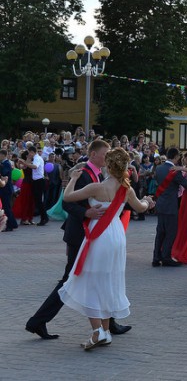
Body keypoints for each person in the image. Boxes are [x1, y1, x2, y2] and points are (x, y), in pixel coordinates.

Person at [26, 140, 130, 339]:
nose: (107, 157)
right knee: (71, 279)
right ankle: (38, 321)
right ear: (92, 155)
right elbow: (67, 204)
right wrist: (87, 213)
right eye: (104, 154)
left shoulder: (99, 175)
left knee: (99, 276)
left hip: (94, 236)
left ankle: (110, 324)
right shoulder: (83, 174)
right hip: (82, 235)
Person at [59, 147, 155, 349]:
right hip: (117, 235)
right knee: (108, 280)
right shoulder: (126, 188)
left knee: (90, 280)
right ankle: (106, 332)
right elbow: (140, 208)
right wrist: (147, 201)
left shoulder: (96, 187)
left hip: (99, 236)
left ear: (109, 166)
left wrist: (73, 178)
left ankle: (97, 332)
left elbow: (67, 197)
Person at [152, 148, 187, 267]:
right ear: (176, 157)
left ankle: (156, 257)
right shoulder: (174, 171)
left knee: (160, 232)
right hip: (170, 206)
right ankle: (166, 257)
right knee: (171, 233)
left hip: (160, 204)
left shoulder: (159, 168)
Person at [22, 146, 49, 226]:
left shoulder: (37, 158)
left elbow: (35, 166)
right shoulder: (38, 158)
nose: (29, 154)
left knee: (39, 201)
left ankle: (44, 218)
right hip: (37, 181)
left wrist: (25, 163)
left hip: (39, 181)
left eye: (29, 152)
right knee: (38, 201)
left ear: (32, 152)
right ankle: (44, 218)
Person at [0, 149, 17, 231]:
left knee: (6, 207)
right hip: (4, 189)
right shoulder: (4, 163)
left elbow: (4, 173)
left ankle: (10, 225)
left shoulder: (6, 163)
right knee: (6, 207)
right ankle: (13, 223)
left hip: (6, 189)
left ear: (3, 155)